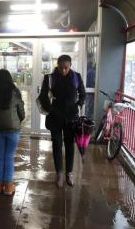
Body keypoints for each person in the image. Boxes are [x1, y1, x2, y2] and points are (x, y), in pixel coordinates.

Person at [39, 55, 86, 187]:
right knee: (57, 145)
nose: (63, 70)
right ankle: (59, 173)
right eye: (61, 68)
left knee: (70, 145)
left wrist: (78, 104)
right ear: (57, 66)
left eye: (66, 68)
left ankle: (69, 173)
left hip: (71, 118)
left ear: (70, 66)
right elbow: (43, 97)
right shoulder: (50, 78)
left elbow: (82, 94)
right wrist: (52, 110)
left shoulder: (76, 77)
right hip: (55, 116)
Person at [0, 69, 25, 196]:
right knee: (9, 156)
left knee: (1, 157)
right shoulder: (15, 92)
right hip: (13, 130)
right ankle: (8, 186)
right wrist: (19, 120)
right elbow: (21, 111)